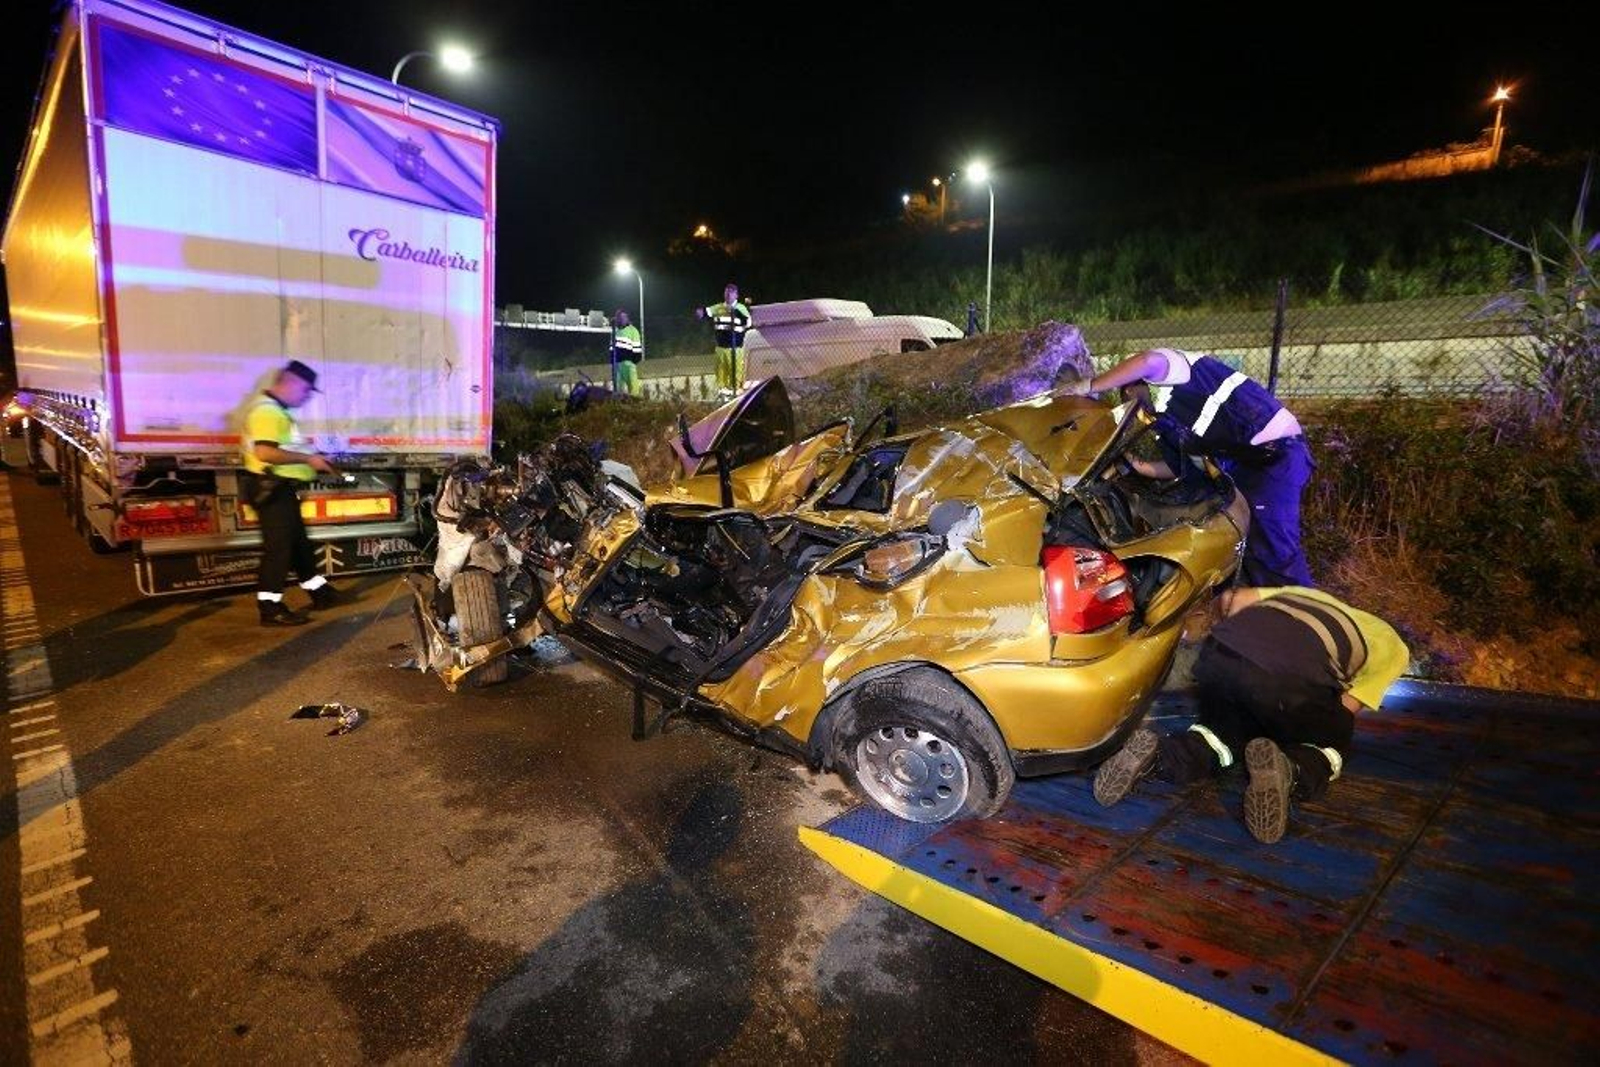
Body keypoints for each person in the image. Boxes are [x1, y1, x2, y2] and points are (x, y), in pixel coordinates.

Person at [1092, 585, 1409, 843]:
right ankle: (1292, 770)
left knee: (1219, 735)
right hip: (1288, 677)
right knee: (1332, 738)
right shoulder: (1393, 647)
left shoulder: (1309, 596)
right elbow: (1346, 707)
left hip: (1222, 654)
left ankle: (1159, 755)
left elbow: (1236, 599)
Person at [1062, 347, 1313, 587]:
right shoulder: (1165, 418)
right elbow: (1179, 467)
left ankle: (1305, 615)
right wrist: (1137, 465)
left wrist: (1089, 385)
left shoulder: (1177, 370)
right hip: (1244, 464)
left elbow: (1148, 361)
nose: (1133, 406)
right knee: (1244, 545)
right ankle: (1266, 610)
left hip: (1273, 452)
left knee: (1274, 548)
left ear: (1134, 384)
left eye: (1128, 395)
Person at [240, 360, 341, 626]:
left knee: (298, 545)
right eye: (306, 390)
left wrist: (313, 457)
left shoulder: (275, 411)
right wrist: (310, 461)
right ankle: (270, 608)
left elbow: (283, 448)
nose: (307, 396)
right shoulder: (268, 412)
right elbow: (265, 452)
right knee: (279, 550)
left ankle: (319, 592)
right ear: (291, 382)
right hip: (271, 489)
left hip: (278, 489)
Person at [695, 282, 751, 399]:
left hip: (735, 348)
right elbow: (706, 312)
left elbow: (748, 322)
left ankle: (736, 395)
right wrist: (700, 312)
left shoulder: (740, 308)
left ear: (736, 295)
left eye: (731, 293)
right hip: (720, 347)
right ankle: (723, 396)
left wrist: (737, 315)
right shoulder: (718, 307)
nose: (728, 295)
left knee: (735, 372)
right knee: (721, 373)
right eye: (726, 293)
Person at [610, 309, 644, 398]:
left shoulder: (633, 330)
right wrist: (612, 362)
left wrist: (633, 362)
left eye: (625, 317)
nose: (623, 319)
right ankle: (620, 406)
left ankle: (636, 403)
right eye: (621, 317)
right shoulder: (615, 331)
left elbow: (637, 348)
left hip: (629, 364)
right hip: (618, 365)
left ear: (628, 318)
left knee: (633, 389)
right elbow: (611, 348)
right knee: (618, 389)